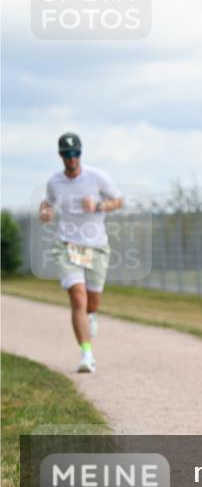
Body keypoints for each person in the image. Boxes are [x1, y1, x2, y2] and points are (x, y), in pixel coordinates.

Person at [38, 132, 124, 373]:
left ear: (81, 153)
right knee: (78, 297)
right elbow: (47, 203)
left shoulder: (97, 177)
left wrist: (98, 205)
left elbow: (118, 201)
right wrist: (45, 212)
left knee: (92, 301)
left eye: (75, 153)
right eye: (67, 154)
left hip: (96, 246)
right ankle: (87, 354)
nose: (72, 158)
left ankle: (91, 316)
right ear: (60, 156)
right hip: (68, 245)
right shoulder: (54, 182)